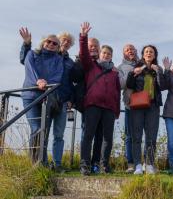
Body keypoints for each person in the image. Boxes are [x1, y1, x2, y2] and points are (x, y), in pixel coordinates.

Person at [19, 28, 75, 172]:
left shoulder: (60, 60)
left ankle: (43, 164)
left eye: (54, 43)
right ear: (43, 42)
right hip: (31, 96)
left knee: (45, 131)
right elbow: (28, 67)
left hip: (48, 98)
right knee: (36, 129)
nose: (51, 44)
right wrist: (38, 81)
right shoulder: (33, 54)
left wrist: (47, 84)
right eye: (49, 41)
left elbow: (58, 77)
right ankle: (35, 164)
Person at [79, 22, 120, 175]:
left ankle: (103, 165)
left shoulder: (114, 73)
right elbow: (83, 54)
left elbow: (117, 92)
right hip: (93, 105)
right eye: (104, 53)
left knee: (106, 138)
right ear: (100, 54)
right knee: (88, 135)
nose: (106, 55)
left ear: (111, 57)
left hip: (109, 108)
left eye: (109, 54)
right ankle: (85, 164)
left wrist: (116, 110)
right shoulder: (91, 66)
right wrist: (83, 36)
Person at [126, 45, 164, 175]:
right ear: (143, 55)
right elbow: (129, 85)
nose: (149, 53)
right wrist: (133, 74)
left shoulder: (158, 69)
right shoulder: (136, 68)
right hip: (138, 106)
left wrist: (158, 72)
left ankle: (148, 164)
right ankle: (137, 165)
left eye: (151, 52)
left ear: (154, 55)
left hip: (153, 106)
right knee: (136, 136)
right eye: (146, 51)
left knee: (151, 137)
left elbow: (163, 86)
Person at [70, 36, 104, 174]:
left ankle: (96, 163)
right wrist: (80, 59)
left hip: (102, 104)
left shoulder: (103, 64)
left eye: (96, 45)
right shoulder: (81, 62)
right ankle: (85, 164)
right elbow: (75, 77)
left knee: (100, 136)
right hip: (88, 103)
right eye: (91, 45)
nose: (94, 47)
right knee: (87, 134)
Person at [117, 44, 137, 173]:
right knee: (130, 136)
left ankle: (146, 163)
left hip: (145, 104)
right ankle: (131, 163)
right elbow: (120, 85)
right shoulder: (120, 67)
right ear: (124, 53)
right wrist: (132, 73)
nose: (130, 51)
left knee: (144, 135)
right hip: (130, 105)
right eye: (127, 50)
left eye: (132, 49)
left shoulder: (142, 63)